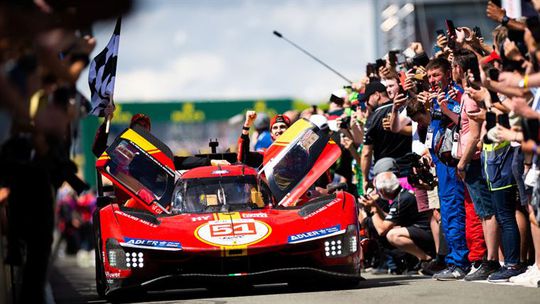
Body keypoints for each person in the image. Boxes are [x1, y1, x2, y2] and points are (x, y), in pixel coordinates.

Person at [359, 160, 435, 266]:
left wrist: (373, 209)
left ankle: (426, 259)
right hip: (421, 229)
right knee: (392, 229)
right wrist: (375, 206)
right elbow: (388, 219)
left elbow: (381, 230)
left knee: (392, 235)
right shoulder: (401, 195)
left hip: (427, 232)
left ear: (383, 191)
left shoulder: (402, 200)